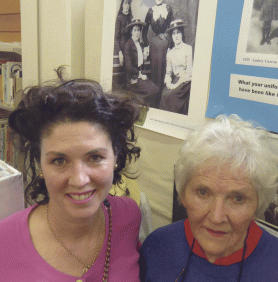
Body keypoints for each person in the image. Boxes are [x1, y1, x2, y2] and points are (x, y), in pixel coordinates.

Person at [0, 68, 142, 281]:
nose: (79, 179)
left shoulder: (128, 216)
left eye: (94, 157)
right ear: (40, 164)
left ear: (116, 157)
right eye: (59, 160)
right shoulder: (4, 242)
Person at [140, 114, 278, 281]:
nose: (216, 217)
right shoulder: (156, 246)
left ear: (258, 205)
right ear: (183, 194)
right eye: (203, 193)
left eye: (238, 199)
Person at [143, 0, 174, 106]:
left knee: (164, 52)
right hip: (155, 42)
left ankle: (163, 96)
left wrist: (168, 36)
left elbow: (172, 27)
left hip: (166, 39)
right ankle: (155, 94)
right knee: (156, 60)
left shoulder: (168, 8)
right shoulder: (151, 11)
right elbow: (144, 30)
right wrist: (146, 44)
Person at [124, 18, 160, 108]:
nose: (137, 33)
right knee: (153, 90)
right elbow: (128, 67)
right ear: (131, 32)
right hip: (133, 79)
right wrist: (140, 75)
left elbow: (140, 63)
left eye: (139, 30)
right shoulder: (128, 45)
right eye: (135, 30)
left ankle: (145, 107)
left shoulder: (139, 45)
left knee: (157, 89)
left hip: (140, 76)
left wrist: (144, 57)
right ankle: (139, 104)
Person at [159, 19, 192, 115]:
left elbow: (189, 71)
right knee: (164, 95)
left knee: (171, 96)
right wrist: (168, 82)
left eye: (178, 33)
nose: (176, 36)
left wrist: (176, 85)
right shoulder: (170, 53)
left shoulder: (188, 49)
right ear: (171, 36)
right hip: (175, 80)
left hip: (185, 81)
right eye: (174, 33)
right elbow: (168, 72)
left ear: (182, 34)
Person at [114, 0, 134, 66]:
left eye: (128, 3)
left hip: (131, 46)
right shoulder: (119, 18)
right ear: (122, 5)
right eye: (125, 3)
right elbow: (116, 38)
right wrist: (119, 52)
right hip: (123, 47)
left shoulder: (131, 18)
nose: (127, 5)